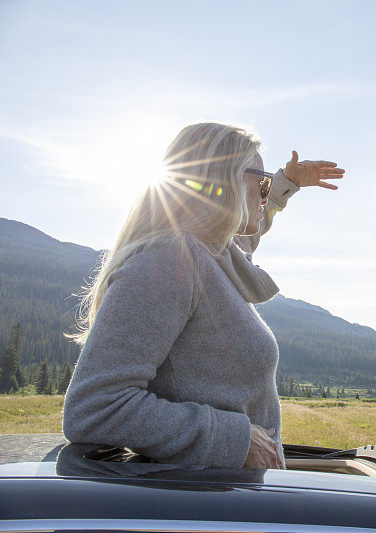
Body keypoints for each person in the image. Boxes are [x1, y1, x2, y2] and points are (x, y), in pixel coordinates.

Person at [62, 122, 344, 469]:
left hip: (228, 502)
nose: (266, 194)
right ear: (226, 180)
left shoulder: (210, 254)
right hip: (206, 511)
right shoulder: (168, 260)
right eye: (263, 182)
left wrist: (285, 185)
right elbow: (95, 408)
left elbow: (248, 237)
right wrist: (233, 437)